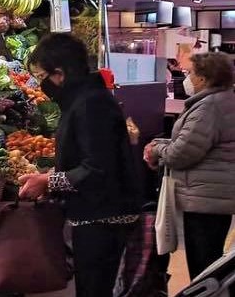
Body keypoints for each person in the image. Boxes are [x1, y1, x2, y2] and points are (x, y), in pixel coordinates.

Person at [18, 33, 142, 297]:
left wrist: (48, 181)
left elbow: (97, 168)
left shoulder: (91, 104)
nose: (41, 85)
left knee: (94, 288)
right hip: (96, 216)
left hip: (104, 219)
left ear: (59, 74)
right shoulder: (84, 99)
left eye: (41, 77)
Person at [144, 52, 235, 280]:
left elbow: (182, 154)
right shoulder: (224, 100)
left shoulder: (208, 108)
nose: (187, 77)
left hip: (206, 197)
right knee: (210, 260)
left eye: (191, 73)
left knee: (203, 264)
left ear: (204, 79)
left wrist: (157, 150)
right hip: (216, 194)